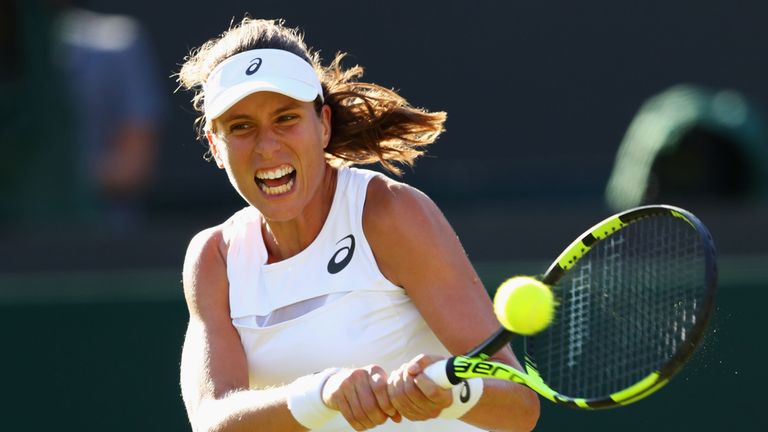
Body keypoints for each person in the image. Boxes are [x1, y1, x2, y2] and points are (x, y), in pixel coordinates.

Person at [176, 17, 540, 431]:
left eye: (286, 118)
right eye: (241, 127)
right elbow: (211, 419)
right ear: (215, 146)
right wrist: (322, 393)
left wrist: (451, 394)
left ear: (323, 124)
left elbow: (520, 406)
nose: (267, 146)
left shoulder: (389, 214)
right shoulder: (214, 259)